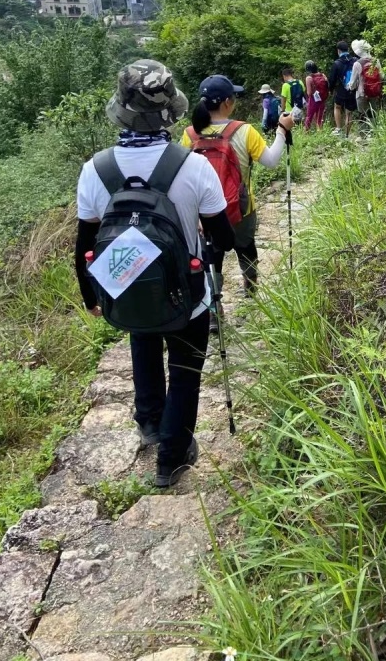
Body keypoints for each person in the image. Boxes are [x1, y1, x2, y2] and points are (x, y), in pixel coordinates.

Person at [74, 60, 236, 489]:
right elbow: (224, 236)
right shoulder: (194, 165)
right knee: (185, 367)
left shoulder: (96, 169)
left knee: (141, 338)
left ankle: (148, 420)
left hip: (125, 286)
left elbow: (85, 243)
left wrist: (90, 294)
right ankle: (171, 457)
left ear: (121, 109)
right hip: (187, 293)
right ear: (171, 111)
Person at [181, 74, 294, 296]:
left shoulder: (189, 135)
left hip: (204, 212)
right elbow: (271, 162)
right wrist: (282, 130)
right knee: (246, 247)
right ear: (226, 103)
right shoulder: (244, 130)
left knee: (213, 257)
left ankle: (215, 308)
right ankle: (251, 290)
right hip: (241, 208)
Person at [349, 39, 384, 130]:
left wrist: (350, 87)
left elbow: (352, 84)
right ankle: (374, 133)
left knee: (362, 114)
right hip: (374, 92)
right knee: (373, 113)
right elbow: (382, 76)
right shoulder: (376, 61)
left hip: (361, 93)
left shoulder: (357, 64)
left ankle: (363, 136)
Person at [327, 40, 357, 136]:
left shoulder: (337, 63)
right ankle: (347, 134)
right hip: (352, 90)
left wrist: (330, 90)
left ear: (338, 50)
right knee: (349, 112)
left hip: (341, 89)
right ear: (347, 49)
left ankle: (339, 128)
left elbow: (332, 79)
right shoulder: (355, 60)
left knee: (337, 107)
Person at [304, 61, 329, 131]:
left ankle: (306, 133)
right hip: (322, 99)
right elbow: (327, 86)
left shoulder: (309, 78)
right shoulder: (323, 75)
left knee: (309, 117)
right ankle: (320, 132)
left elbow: (309, 93)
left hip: (313, 100)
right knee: (319, 119)